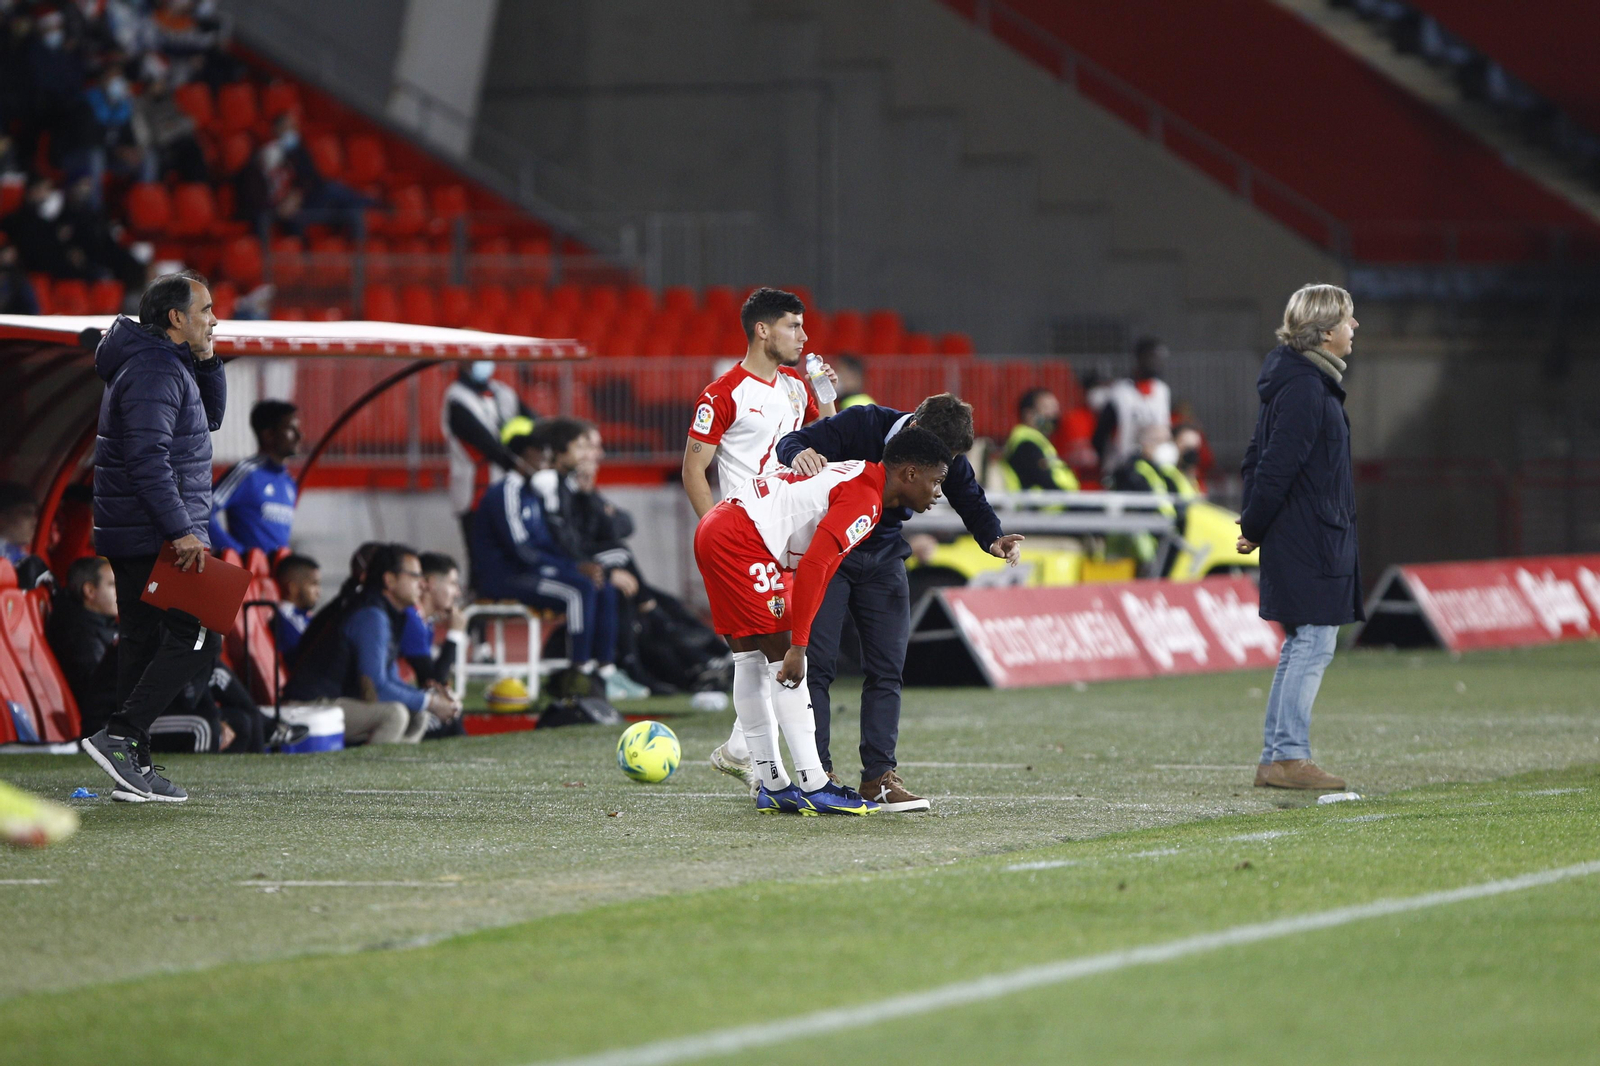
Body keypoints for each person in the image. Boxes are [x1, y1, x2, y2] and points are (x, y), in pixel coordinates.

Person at [778, 394, 1023, 810]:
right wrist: (800, 453)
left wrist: (993, 537)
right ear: (914, 438)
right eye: (937, 471)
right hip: (831, 550)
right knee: (816, 666)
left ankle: (878, 778)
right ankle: (818, 776)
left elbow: (971, 498)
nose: (942, 480)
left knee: (888, 668)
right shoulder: (862, 424)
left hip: (885, 554)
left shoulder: (946, 453)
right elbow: (791, 442)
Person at [692, 426, 952, 815]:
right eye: (936, 481)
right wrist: (799, 645)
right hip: (745, 539)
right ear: (910, 474)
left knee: (749, 659)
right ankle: (815, 784)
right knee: (786, 665)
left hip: (718, 527)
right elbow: (815, 564)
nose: (938, 492)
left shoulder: (858, 474)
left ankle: (774, 784)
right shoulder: (867, 499)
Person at [681, 287, 835, 782]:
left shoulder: (794, 387)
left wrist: (828, 398)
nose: (804, 336)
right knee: (774, 650)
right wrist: (717, 535)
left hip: (788, 535)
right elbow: (693, 470)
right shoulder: (723, 393)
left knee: (760, 652)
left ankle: (742, 752)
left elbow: (828, 441)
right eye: (794, 326)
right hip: (744, 538)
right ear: (762, 330)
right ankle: (779, 772)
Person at [81, 269, 222, 804]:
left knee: (141, 640)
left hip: (137, 531)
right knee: (204, 630)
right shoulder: (153, 369)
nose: (214, 319)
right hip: (153, 532)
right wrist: (180, 530)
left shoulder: (167, 364)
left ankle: (130, 765)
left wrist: (207, 360)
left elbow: (210, 417)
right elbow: (147, 458)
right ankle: (121, 737)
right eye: (205, 310)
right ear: (176, 318)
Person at [1237, 283, 1362, 791]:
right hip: (1308, 536)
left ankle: (1277, 757)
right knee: (1312, 642)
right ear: (1327, 330)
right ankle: (1289, 756)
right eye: (1350, 320)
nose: (1355, 329)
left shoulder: (1299, 381)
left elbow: (1256, 455)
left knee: (1305, 643)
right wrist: (1254, 525)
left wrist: (1256, 522)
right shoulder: (1307, 387)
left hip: (1306, 532)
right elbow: (1274, 465)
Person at [472, 424, 637, 700]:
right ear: (524, 455)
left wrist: (582, 565)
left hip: (530, 572)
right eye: (542, 457)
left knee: (601, 584)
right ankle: (578, 672)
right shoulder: (506, 492)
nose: (547, 464)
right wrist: (572, 568)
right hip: (505, 577)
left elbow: (546, 544)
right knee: (579, 591)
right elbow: (520, 550)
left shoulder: (530, 493)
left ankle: (605, 670)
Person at [281, 543, 454, 745]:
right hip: (309, 703)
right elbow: (375, 690)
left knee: (419, 714)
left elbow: (390, 678)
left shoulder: (387, 612)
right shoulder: (370, 615)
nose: (423, 585)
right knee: (394, 714)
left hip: (333, 700)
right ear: (390, 580)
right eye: (415, 576)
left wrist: (428, 700)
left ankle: (398, 771)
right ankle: (369, 774)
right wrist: (431, 702)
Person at [442, 360, 536, 588]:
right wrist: (518, 466)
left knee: (505, 554)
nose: (486, 364)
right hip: (474, 491)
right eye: (478, 359)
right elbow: (482, 441)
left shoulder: (501, 392)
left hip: (503, 487)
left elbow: (534, 422)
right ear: (463, 362)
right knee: (479, 558)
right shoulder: (457, 398)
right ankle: (476, 618)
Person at [209, 399, 302, 555]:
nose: (300, 436)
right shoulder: (246, 473)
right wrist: (240, 555)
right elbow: (203, 512)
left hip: (272, 577)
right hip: (249, 576)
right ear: (268, 435)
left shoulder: (289, 482)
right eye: (291, 429)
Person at [45, 555, 120, 737]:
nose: (121, 591)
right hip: (105, 725)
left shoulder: (102, 625)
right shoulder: (79, 634)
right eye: (112, 585)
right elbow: (98, 690)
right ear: (89, 591)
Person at [1111, 422, 1198, 573]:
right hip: (1147, 546)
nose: (1167, 446)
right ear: (1146, 443)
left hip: (1168, 538)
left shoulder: (1162, 471)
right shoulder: (1131, 470)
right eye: (1162, 441)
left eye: (1168, 441)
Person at [400, 551, 467, 738]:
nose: (458, 592)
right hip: (391, 705)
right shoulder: (411, 619)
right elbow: (433, 679)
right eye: (452, 583)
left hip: (402, 700)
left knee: (452, 710)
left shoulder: (424, 622)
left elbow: (431, 683)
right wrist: (454, 635)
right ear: (429, 583)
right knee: (449, 716)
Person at [1093, 336, 1171, 474]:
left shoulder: (1162, 391)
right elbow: (1100, 434)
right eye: (1153, 357)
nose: (1157, 363)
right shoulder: (1120, 392)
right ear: (1140, 357)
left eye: (1160, 358)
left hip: (1154, 466)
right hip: (1123, 468)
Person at [1003, 388, 1080, 493]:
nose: (1053, 414)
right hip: (1040, 507)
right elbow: (1044, 481)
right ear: (1028, 415)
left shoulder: (1039, 442)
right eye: (1047, 408)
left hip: (1055, 506)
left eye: (1055, 408)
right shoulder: (1026, 444)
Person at [0, 481, 53, 589]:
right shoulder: (5, 555)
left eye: (34, 515)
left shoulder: (22, 555)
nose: (35, 522)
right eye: (27, 514)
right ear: (3, 519)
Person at [271, 552, 320, 658]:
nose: (318, 592)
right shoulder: (284, 620)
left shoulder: (302, 616)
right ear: (292, 588)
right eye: (313, 584)